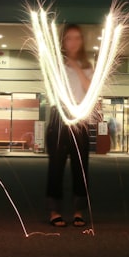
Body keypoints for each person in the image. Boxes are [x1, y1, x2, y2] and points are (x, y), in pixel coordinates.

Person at [46, 24, 94, 228]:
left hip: (80, 118)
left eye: (77, 38)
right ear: (63, 42)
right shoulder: (56, 65)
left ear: (82, 41)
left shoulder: (88, 66)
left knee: (80, 167)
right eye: (68, 38)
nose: (73, 42)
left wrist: (75, 66)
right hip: (59, 117)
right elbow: (55, 90)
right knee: (55, 167)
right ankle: (54, 210)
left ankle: (78, 211)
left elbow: (89, 89)